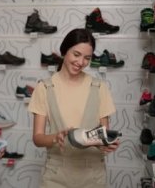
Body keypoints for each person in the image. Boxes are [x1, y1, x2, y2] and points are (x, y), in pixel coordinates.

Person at [27, 28, 119, 188]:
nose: (81, 62)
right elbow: (37, 138)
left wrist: (106, 142)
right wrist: (56, 137)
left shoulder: (99, 87)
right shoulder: (44, 88)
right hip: (56, 177)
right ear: (64, 51)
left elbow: (103, 134)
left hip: (92, 176)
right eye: (76, 54)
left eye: (87, 58)